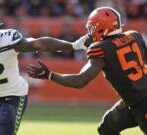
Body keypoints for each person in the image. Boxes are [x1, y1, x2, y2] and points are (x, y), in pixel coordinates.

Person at [0, 6, 92, 135]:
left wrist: (72, 45)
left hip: (14, 95)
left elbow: (38, 44)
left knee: (6, 121)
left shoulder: (7, 39)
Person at [26, 7, 147, 135]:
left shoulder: (100, 49)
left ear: (101, 27)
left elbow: (80, 81)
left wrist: (50, 75)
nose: (90, 32)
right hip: (132, 100)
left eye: (92, 28)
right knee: (107, 128)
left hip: (141, 102)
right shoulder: (135, 36)